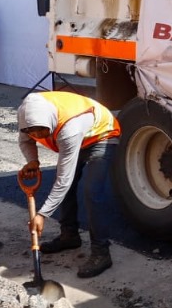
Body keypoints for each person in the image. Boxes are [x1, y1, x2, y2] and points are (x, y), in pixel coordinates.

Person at [17, 91, 121, 279]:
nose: (37, 135)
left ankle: (102, 252)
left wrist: (42, 214)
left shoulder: (68, 129)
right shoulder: (28, 117)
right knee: (67, 187)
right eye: (32, 131)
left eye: (41, 130)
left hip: (101, 135)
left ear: (49, 121)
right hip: (78, 137)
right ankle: (69, 236)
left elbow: (63, 181)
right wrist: (33, 161)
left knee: (92, 191)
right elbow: (25, 140)